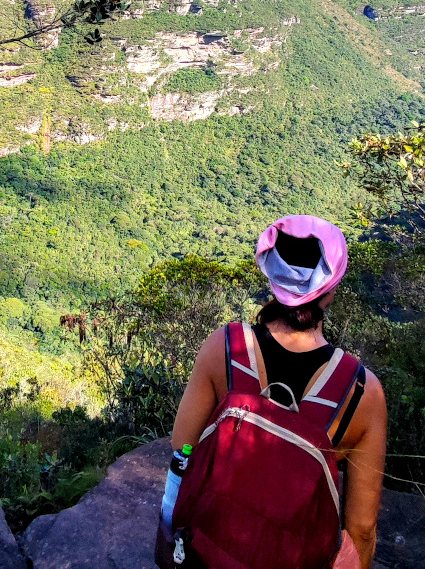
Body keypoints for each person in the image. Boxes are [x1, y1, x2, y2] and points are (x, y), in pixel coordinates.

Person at [157, 215, 387, 569]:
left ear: (271, 273)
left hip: (210, 550)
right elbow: (361, 527)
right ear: (331, 289)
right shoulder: (361, 391)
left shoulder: (226, 348)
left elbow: (182, 446)